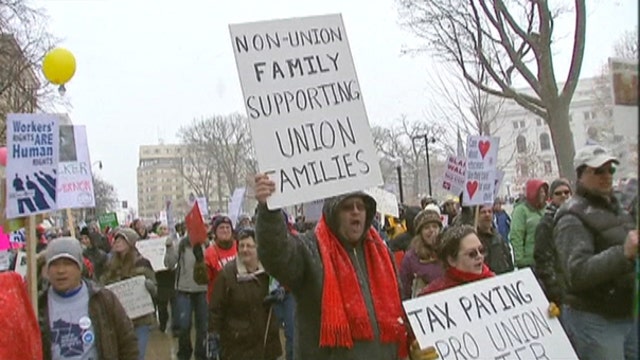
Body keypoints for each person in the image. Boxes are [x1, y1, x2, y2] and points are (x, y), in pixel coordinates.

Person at [253, 173, 437, 360]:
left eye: (361, 207)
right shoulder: (311, 250)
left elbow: (399, 312)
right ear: (333, 214)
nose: (356, 212)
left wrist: (412, 348)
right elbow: (276, 255)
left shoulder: (382, 252)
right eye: (347, 207)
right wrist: (269, 210)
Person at [554, 145, 637, 360]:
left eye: (611, 170)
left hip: (627, 313)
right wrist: (623, 253)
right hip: (595, 320)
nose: (606, 176)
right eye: (598, 171)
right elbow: (577, 273)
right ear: (580, 174)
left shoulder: (618, 209)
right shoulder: (571, 216)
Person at [39, 237, 138, 359]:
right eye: (54, 264)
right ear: (47, 270)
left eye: (68, 263)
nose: (61, 270)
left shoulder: (103, 299)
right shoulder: (38, 305)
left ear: (80, 267)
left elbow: (127, 341)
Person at [209, 228, 282, 360]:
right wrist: (213, 336)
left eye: (249, 246)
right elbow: (216, 308)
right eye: (241, 246)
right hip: (237, 345)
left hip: (266, 342)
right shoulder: (227, 274)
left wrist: (281, 292)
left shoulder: (269, 270)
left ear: (257, 248)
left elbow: (285, 283)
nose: (244, 250)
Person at [102, 227, 157, 360]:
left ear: (131, 243)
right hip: (118, 321)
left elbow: (155, 290)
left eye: (122, 239)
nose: (118, 242)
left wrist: (150, 287)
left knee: (137, 356)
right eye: (116, 239)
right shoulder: (109, 265)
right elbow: (103, 286)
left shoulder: (143, 263)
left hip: (140, 320)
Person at [165, 227, 209, 360]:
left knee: (203, 326)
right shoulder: (181, 245)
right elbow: (169, 264)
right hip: (184, 291)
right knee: (184, 325)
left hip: (203, 290)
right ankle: (184, 353)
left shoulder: (207, 245)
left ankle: (201, 354)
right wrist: (169, 248)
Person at [533, 178, 572, 305]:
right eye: (558, 193)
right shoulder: (546, 224)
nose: (563, 196)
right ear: (551, 198)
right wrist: (555, 289)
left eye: (566, 192)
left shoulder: (579, 218)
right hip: (562, 291)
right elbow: (542, 260)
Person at [399, 208, 444, 300]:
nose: (431, 230)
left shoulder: (448, 252)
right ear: (420, 233)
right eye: (427, 227)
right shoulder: (411, 258)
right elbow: (404, 288)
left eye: (435, 226)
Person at [509, 178, 548, 268]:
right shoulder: (521, 210)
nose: (543, 194)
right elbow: (516, 235)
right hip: (530, 261)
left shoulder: (547, 209)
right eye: (540, 192)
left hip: (548, 259)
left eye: (544, 192)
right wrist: (520, 260)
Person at [476, 204, 513, 275]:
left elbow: (507, 256)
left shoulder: (498, 236)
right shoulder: (475, 239)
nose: (487, 214)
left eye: (489, 212)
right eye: (483, 212)